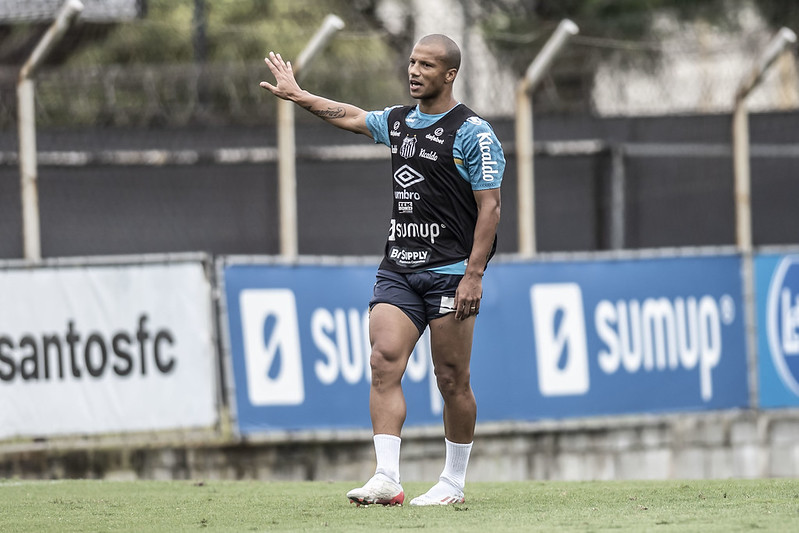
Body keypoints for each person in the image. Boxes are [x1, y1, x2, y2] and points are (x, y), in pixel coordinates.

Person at [260, 33, 504, 507]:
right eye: (412, 62)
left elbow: (490, 208)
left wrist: (473, 274)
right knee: (382, 360)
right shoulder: (398, 122)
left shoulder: (473, 132)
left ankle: (452, 483)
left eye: (427, 65)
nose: (414, 71)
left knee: (452, 378)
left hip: (451, 272)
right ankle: (387, 477)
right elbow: (351, 115)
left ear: (450, 74)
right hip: (398, 267)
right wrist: (299, 94)